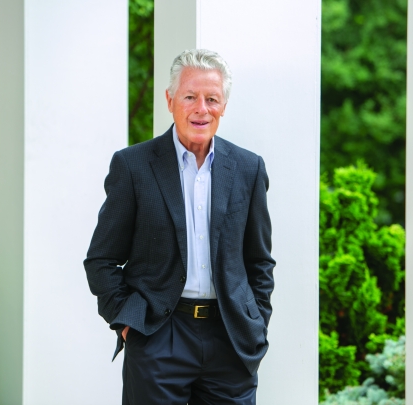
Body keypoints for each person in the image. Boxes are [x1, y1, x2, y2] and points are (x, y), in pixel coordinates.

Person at [84, 49, 275, 405]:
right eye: (190, 96)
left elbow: (259, 261)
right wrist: (129, 323)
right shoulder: (133, 166)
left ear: (224, 105)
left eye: (212, 98)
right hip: (159, 336)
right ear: (171, 100)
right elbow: (101, 259)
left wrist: (256, 322)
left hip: (230, 338)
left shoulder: (249, 169)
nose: (201, 108)